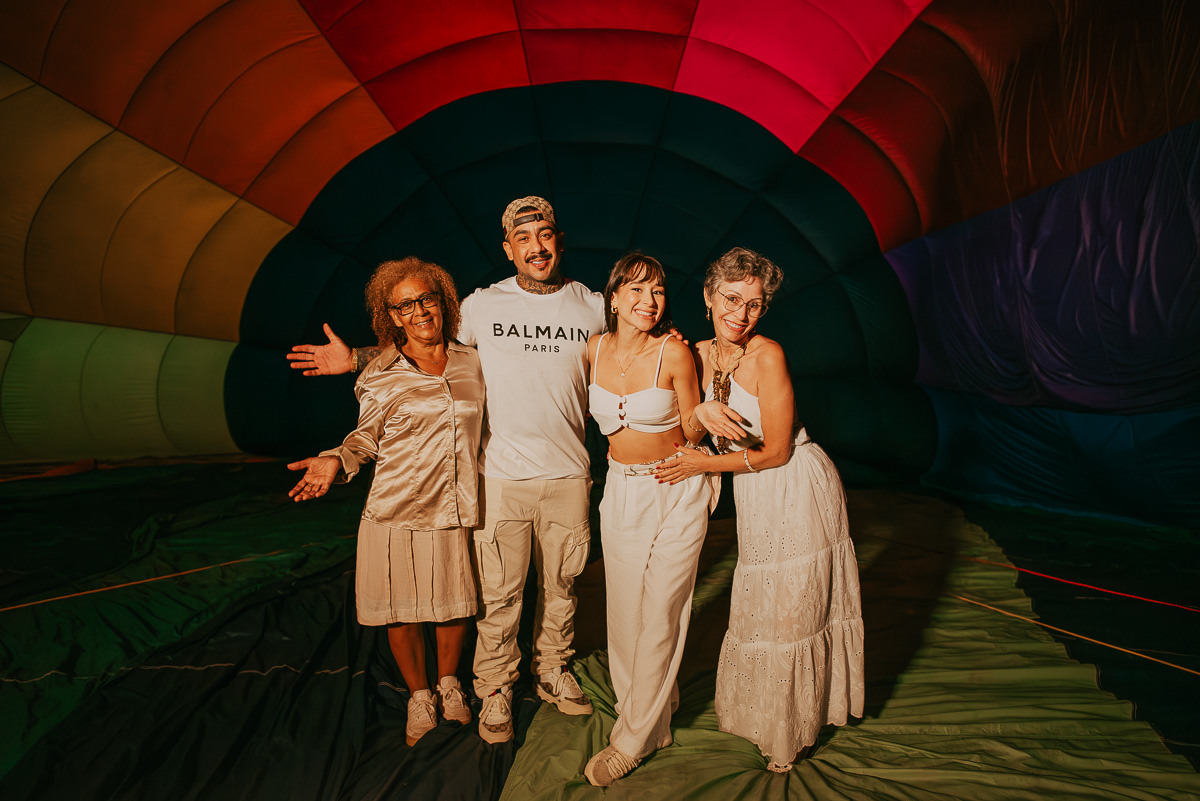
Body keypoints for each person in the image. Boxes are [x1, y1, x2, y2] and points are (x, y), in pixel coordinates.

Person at [287, 197, 602, 744]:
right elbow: (419, 347)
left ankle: (552, 668)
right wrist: (356, 360)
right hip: (499, 476)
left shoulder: (593, 307)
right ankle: (495, 687)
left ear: (559, 239)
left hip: (569, 474)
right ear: (508, 249)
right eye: (523, 238)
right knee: (498, 594)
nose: (536, 246)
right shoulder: (482, 306)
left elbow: (639, 349)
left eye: (545, 234)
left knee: (562, 585)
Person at [653, 247, 865, 771]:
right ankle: (764, 717)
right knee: (764, 606)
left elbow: (776, 452)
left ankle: (789, 733)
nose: (741, 313)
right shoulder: (695, 354)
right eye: (731, 299)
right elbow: (685, 423)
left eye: (753, 304)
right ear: (709, 297)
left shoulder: (768, 356)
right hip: (754, 493)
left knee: (795, 610)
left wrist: (705, 465)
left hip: (795, 485)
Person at [287, 257, 485, 747]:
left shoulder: (475, 362)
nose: (419, 311)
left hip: (453, 503)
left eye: (426, 299)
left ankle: (449, 684)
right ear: (392, 315)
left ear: (443, 302)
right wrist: (336, 460)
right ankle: (419, 696)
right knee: (402, 611)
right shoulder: (380, 372)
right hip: (395, 508)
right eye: (406, 305)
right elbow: (365, 436)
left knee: (453, 604)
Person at [581, 252, 711, 786]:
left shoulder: (674, 353)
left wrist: (709, 408)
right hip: (621, 490)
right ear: (613, 298)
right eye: (636, 289)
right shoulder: (592, 349)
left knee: (661, 611)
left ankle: (631, 741)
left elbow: (694, 427)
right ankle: (651, 715)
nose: (648, 301)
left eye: (657, 290)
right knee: (625, 613)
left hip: (676, 486)